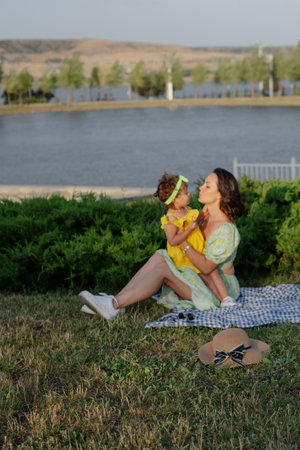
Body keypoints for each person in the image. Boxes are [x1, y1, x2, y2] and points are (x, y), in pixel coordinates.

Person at [79, 168, 244, 321]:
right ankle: (116, 302)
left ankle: (113, 305)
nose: (200, 188)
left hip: (217, 291)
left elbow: (208, 268)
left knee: (163, 269)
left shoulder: (226, 230)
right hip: (198, 276)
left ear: (220, 194)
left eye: (207, 186)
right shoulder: (205, 216)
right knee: (160, 255)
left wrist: (181, 242)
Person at [153, 172, 234, 304]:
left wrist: (201, 215)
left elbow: (192, 221)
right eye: (185, 193)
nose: (189, 194)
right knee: (206, 276)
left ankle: (226, 298)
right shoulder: (171, 218)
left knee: (213, 273)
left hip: (197, 250)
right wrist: (188, 230)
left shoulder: (185, 209)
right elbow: (173, 240)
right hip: (186, 257)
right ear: (175, 199)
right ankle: (219, 299)